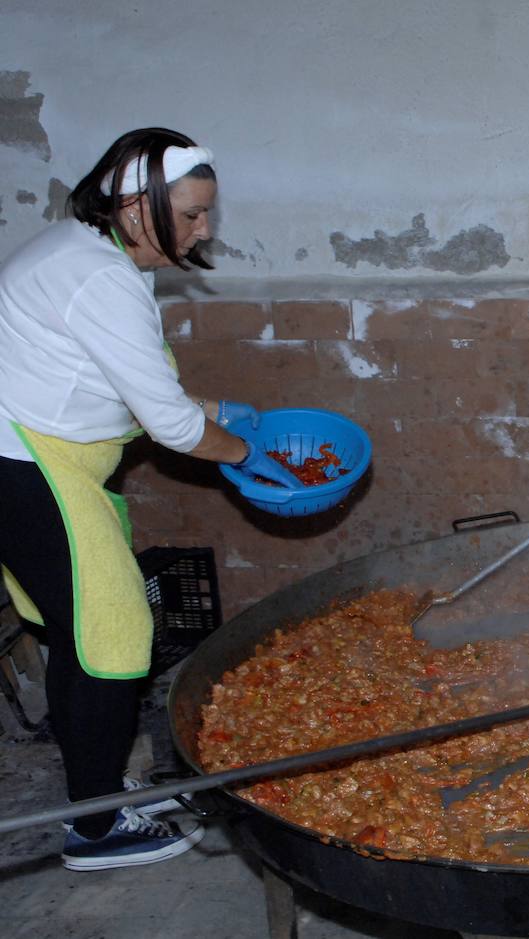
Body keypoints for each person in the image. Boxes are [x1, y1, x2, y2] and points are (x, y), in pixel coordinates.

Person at [0, 127, 302, 871]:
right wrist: (247, 455)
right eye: (193, 215)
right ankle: (97, 834)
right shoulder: (98, 276)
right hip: (25, 464)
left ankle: (94, 794)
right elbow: (167, 423)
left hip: (42, 453)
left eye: (206, 214)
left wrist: (216, 409)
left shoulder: (93, 251)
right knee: (113, 636)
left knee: (78, 634)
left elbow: (123, 381)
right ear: (135, 208)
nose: (205, 230)